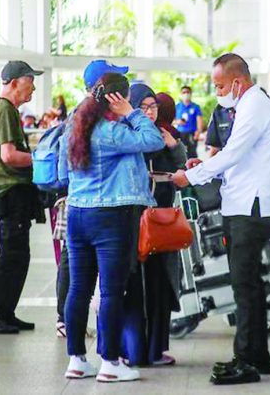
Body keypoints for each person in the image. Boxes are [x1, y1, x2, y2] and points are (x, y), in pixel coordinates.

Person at [171, 53, 270, 385]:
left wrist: (193, 177)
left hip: (252, 206)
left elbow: (234, 153)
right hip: (242, 203)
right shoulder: (246, 105)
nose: (218, 92)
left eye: (220, 86)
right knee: (249, 286)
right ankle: (257, 357)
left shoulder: (255, 105)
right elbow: (231, 156)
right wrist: (200, 167)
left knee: (244, 286)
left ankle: (246, 360)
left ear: (238, 81)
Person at [58, 73, 164, 383]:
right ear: (117, 99)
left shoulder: (73, 130)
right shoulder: (111, 132)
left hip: (77, 213)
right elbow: (153, 140)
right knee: (111, 292)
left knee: (78, 288)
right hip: (109, 217)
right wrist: (130, 113)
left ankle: (76, 359)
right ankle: (110, 362)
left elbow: (63, 172)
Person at [54, 59, 130, 337]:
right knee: (74, 266)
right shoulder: (84, 116)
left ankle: (69, 329)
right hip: (86, 201)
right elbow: (66, 157)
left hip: (79, 199)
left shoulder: (87, 114)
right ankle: (64, 319)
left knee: (75, 266)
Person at [0, 60, 45, 335]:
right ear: (15, 82)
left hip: (7, 191)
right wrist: (41, 159)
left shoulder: (4, 109)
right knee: (11, 257)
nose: (34, 87)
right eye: (30, 81)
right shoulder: (4, 110)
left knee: (18, 257)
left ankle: (5, 312)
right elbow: (9, 155)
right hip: (8, 190)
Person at [121, 84, 186, 367]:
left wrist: (174, 146)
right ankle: (132, 350)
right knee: (132, 286)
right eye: (143, 107)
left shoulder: (165, 136)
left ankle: (155, 349)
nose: (149, 112)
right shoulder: (125, 135)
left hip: (161, 222)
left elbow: (184, 168)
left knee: (160, 284)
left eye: (153, 106)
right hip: (132, 220)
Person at [174, 86, 203, 159]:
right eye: (184, 92)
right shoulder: (177, 107)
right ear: (181, 94)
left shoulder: (196, 107)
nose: (186, 94)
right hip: (180, 133)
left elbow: (199, 120)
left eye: (188, 92)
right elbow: (172, 121)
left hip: (192, 133)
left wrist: (198, 131)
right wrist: (178, 122)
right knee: (181, 153)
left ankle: (194, 168)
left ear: (191, 94)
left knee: (192, 153)